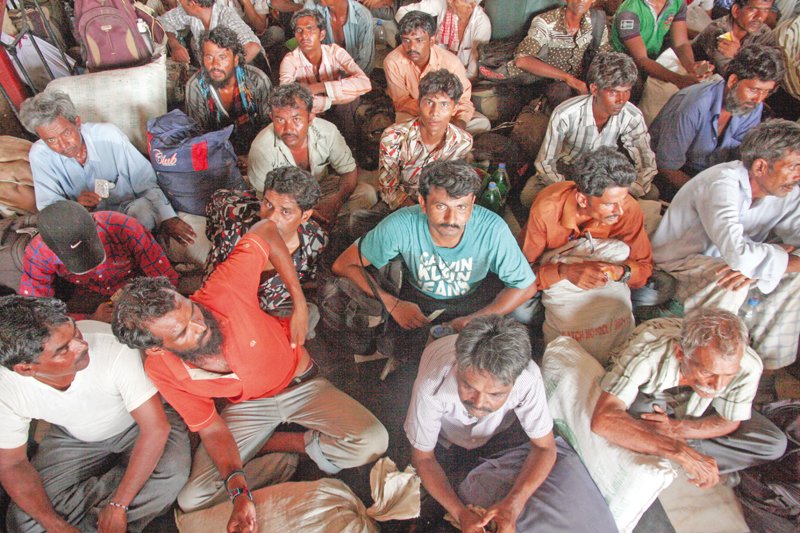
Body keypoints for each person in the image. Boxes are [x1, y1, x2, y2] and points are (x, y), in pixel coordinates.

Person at [111, 218, 388, 530]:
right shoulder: (160, 368)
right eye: (182, 332)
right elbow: (212, 429)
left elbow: (267, 229)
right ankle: (276, 456)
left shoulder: (222, 290)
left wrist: (298, 301)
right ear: (157, 349)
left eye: (192, 310)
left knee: (372, 441)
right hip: (245, 409)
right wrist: (239, 491)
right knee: (193, 499)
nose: (200, 326)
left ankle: (282, 444)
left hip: (301, 384)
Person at [407, 314, 617, 532]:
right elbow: (423, 457)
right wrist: (460, 513)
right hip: (446, 438)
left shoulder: (528, 379)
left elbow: (545, 447)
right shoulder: (432, 384)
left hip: (500, 434)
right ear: (459, 368)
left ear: (514, 381)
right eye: (469, 387)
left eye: (496, 394)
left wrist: (512, 507)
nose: (479, 404)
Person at [0, 295, 191, 533]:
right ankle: (111, 505)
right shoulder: (6, 387)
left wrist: (118, 504)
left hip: (139, 425)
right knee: (25, 522)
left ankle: (105, 511)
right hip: (75, 437)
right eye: (63, 349)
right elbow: (13, 463)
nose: (82, 345)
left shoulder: (111, 345)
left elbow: (156, 429)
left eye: (75, 332)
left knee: (171, 472)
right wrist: (56, 525)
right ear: (26, 369)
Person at [332, 160, 537, 359]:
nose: (451, 219)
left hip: (474, 300)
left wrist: (476, 319)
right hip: (418, 303)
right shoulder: (401, 225)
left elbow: (525, 286)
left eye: (461, 207)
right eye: (441, 207)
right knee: (410, 357)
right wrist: (393, 304)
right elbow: (344, 264)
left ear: (473, 203)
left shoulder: (493, 229)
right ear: (423, 203)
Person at [651, 120, 800, 372]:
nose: (798, 176)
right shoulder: (722, 183)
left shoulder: (787, 193)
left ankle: (766, 368)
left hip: (732, 267)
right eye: (794, 167)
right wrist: (776, 252)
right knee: (730, 281)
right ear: (761, 166)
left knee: (794, 279)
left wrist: (761, 264)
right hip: (679, 265)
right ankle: (701, 366)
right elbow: (738, 254)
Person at [591, 309, 787, 488]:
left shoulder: (748, 365)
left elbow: (729, 421)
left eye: (728, 375)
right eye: (707, 372)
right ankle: (689, 456)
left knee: (773, 444)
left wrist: (675, 428)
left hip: (694, 412)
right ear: (680, 354)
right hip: (653, 401)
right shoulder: (648, 351)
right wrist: (677, 450)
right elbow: (603, 419)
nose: (718, 385)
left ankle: (685, 455)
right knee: (637, 415)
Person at [19, 90, 195, 246]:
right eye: (51, 140)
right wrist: (75, 207)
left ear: (77, 123)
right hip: (88, 225)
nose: (63, 145)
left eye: (66, 133)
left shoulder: (108, 136)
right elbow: (49, 208)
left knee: (143, 209)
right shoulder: (40, 155)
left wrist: (167, 217)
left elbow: (145, 181)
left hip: (129, 214)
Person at [521, 147, 652, 340]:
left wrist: (620, 272)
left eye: (622, 200)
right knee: (520, 309)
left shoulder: (628, 209)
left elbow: (644, 266)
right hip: (558, 279)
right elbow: (523, 272)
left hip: (607, 277)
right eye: (609, 204)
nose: (619, 211)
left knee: (654, 290)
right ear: (582, 199)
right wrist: (566, 272)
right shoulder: (546, 210)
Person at [520, 52, 657, 207]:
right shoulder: (565, 114)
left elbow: (646, 162)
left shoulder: (632, 115)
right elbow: (545, 163)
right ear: (594, 89)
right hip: (568, 168)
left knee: (652, 193)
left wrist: (628, 190)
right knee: (530, 196)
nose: (621, 100)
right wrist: (576, 193)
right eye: (613, 92)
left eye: (626, 91)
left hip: (606, 171)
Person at [649, 44, 785, 200]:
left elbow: (741, 158)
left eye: (766, 92)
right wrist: (708, 196)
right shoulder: (693, 106)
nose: (759, 100)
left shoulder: (753, 106)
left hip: (712, 176)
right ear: (733, 81)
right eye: (754, 90)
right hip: (671, 176)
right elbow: (667, 167)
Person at [204, 166, 327, 326]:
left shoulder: (315, 243)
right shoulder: (235, 228)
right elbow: (212, 288)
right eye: (268, 205)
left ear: (305, 216)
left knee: (310, 316)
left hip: (269, 306)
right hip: (228, 302)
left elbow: (310, 280)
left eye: (285, 212)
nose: (271, 218)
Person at [19, 201, 178, 320]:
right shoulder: (38, 253)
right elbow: (39, 311)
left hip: (137, 286)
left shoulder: (125, 227)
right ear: (50, 247)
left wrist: (145, 305)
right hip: (89, 296)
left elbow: (165, 279)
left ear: (95, 223)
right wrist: (91, 319)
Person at [248, 83, 377, 224]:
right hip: (283, 202)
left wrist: (336, 202)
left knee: (367, 194)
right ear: (271, 117)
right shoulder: (262, 148)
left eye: (296, 119)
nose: (288, 128)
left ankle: (321, 225)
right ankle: (316, 225)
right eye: (280, 120)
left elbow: (348, 171)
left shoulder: (327, 132)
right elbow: (265, 201)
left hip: (320, 187)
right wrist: (308, 213)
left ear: (310, 118)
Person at [378, 69, 473, 211]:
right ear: (418, 103)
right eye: (429, 102)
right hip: (402, 206)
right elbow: (389, 188)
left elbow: (457, 189)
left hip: (441, 207)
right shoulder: (393, 137)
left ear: (455, 109)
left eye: (444, 104)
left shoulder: (463, 142)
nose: (435, 112)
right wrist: (420, 213)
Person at [383, 10, 491, 135]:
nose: (412, 47)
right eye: (406, 40)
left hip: (448, 114)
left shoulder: (451, 62)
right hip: (415, 113)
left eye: (419, 40)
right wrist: (431, 116)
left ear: (432, 40)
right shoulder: (392, 62)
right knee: (403, 130)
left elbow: (463, 100)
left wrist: (459, 122)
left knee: (482, 124)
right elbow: (401, 102)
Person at [492, 0, 610, 107]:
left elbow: (604, 58)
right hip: (546, 82)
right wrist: (569, 79)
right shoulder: (546, 22)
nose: (580, 1)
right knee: (561, 90)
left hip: (583, 80)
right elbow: (522, 60)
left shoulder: (597, 23)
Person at [280, 9, 371, 143]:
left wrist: (318, 87)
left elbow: (365, 83)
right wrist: (331, 100)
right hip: (313, 114)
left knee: (350, 103)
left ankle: (351, 148)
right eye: (299, 30)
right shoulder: (290, 60)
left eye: (310, 29)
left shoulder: (334, 51)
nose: (304, 36)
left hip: (338, 109)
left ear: (322, 34)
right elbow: (287, 99)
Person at [185, 26, 272, 156]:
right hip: (216, 154)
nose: (215, 64)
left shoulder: (257, 80)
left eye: (222, 57)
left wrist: (253, 157)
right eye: (209, 57)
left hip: (257, 150)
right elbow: (199, 137)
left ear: (236, 59)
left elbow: (269, 128)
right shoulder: (196, 86)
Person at [611, 0, 710, 88]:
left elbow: (681, 43)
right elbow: (641, 60)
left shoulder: (677, 3)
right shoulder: (629, 11)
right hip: (625, 65)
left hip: (653, 59)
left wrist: (691, 67)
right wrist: (678, 80)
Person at [396, 0, 492, 79]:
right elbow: (402, 12)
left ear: (471, 5)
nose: (449, 1)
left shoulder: (482, 25)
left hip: (459, 80)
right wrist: (419, 32)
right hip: (432, 68)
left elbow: (472, 73)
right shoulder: (443, 3)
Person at [159, 0, 263, 64]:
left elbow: (253, 47)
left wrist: (221, 69)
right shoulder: (191, 13)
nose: (180, 2)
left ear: (193, 3)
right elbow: (163, 21)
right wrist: (175, 45)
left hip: (250, 68)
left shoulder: (226, 15)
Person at [692, 0, 777, 73]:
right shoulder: (719, 33)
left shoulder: (763, 32)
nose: (760, 17)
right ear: (736, 11)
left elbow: (772, 69)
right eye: (753, 10)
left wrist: (738, 54)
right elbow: (733, 77)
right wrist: (742, 56)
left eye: (765, 10)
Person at [304, 0, 376, 74]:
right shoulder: (312, 8)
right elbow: (307, 54)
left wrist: (339, 83)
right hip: (323, 75)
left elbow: (365, 63)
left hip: (354, 77)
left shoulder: (362, 17)